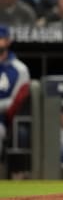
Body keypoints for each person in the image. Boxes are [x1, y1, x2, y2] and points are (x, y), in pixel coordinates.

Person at [0, 26, 30, 159]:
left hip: (5, 119)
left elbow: (17, 101)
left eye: (0, 38)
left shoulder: (20, 69)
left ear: (8, 41)